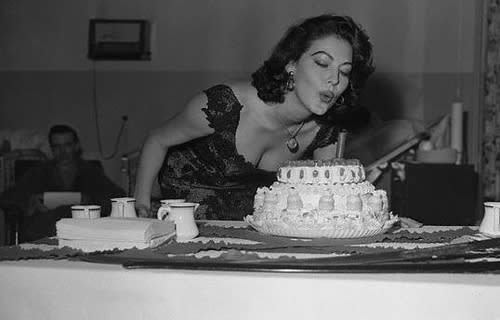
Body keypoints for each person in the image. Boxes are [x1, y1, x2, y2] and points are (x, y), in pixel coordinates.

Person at [134, 14, 375, 220]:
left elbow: (327, 198)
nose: (334, 79)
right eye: (322, 63)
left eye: (344, 72)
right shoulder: (224, 106)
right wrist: (141, 206)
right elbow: (156, 140)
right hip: (180, 224)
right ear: (291, 65)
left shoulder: (325, 131)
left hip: (248, 233)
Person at [0, 124, 125, 242]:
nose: (62, 151)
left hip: (81, 230)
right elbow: (8, 198)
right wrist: (31, 201)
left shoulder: (91, 172)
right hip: (45, 231)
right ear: (51, 149)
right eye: (57, 147)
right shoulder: (39, 172)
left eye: (67, 145)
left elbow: (118, 197)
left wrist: (90, 201)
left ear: (76, 146)